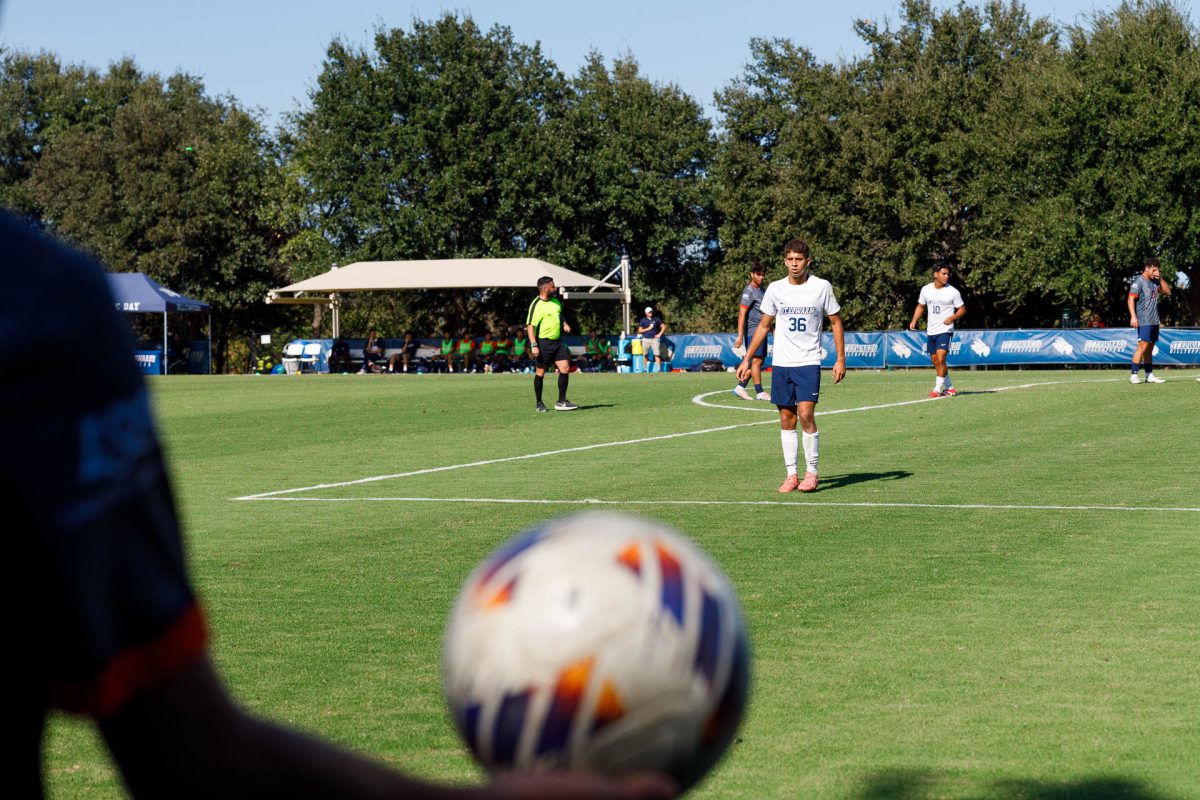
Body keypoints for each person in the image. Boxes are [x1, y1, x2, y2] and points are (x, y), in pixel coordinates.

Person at [3, 210, 674, 800]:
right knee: (543, 367)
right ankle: (542, 401)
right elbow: (185, 752)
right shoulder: (46, 304)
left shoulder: (44, 302)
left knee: (559, 368)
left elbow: (185, 750)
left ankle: (556, 400)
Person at [737, 238, 845, 493]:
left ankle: (812, 471)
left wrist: (840, 359)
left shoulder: (821, 287)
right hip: (782, 363)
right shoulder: (775, 288)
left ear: (808, 261)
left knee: (806, 414)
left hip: (808, 361)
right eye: (790, 260)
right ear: (785, 261)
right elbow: (764, 325)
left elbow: (836, 321)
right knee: (786, 418)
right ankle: (791, 474)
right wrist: (747, 358)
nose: (794, 265)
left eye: (799, 260)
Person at [908, 263, 966, 397]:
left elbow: (962, 309)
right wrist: (914, 320)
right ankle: (950, 387)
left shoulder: (953, 292)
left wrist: (953, 317)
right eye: (943, 274)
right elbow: (921, 306)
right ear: (936, 275)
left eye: (947, 274)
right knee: (936, 361)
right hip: (931, 330)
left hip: (945, 330)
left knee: (941, 358)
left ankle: (937, 389)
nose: (947, 276)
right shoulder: (926, 289)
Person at [526, 276, 577, 411]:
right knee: (540, 372)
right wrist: (534, 345)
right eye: (552, 286)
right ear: (545, 288)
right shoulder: (536, 305)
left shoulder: (556, 302)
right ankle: (539, 403)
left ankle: (561, 401)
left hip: (557, 342)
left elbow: (559, 314)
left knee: (565, 368)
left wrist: (565, 323)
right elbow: (530, 326)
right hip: (543, 343)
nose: (555, 288)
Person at [1128, 256, 1172, 384]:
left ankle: (1149, 375)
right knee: (1142, 346)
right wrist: (1133, 316)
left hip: (1154, 320)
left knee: (1150, 348)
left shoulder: (1155, 282)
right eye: (1154, 270)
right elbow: (1130, 299)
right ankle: (1134, 375)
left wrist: (1161, 278)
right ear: (1147, 269)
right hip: (1144, 319)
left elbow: (1168, 292)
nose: (1155, 273)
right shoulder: (1138, 282)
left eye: (1157, 270)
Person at [733, 262, 769, 400]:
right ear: (752, 274)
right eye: (758, 274)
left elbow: (765, 313)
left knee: (758, 361)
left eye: (763, 275)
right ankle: (759, 392)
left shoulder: (763, 290)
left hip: (762, 330)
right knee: (757, 360)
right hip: (753, 331)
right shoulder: (749, 291)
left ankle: (740, 387)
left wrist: (772, 329)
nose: (761, 277)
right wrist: (740, 335)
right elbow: (742, 313)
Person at [636, 306, 667, 370]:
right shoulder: (643, 320)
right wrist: (648, 328)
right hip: (645, 339)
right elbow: (639, 331)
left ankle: (659, 369)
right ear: (646, 313)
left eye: (651, 312)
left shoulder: (656, 319)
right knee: (645, 354)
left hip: (654, 339)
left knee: (657, 354)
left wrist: (659, 334)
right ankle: (644, 369)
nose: (650, 313)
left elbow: (663, 326)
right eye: (649, 312)